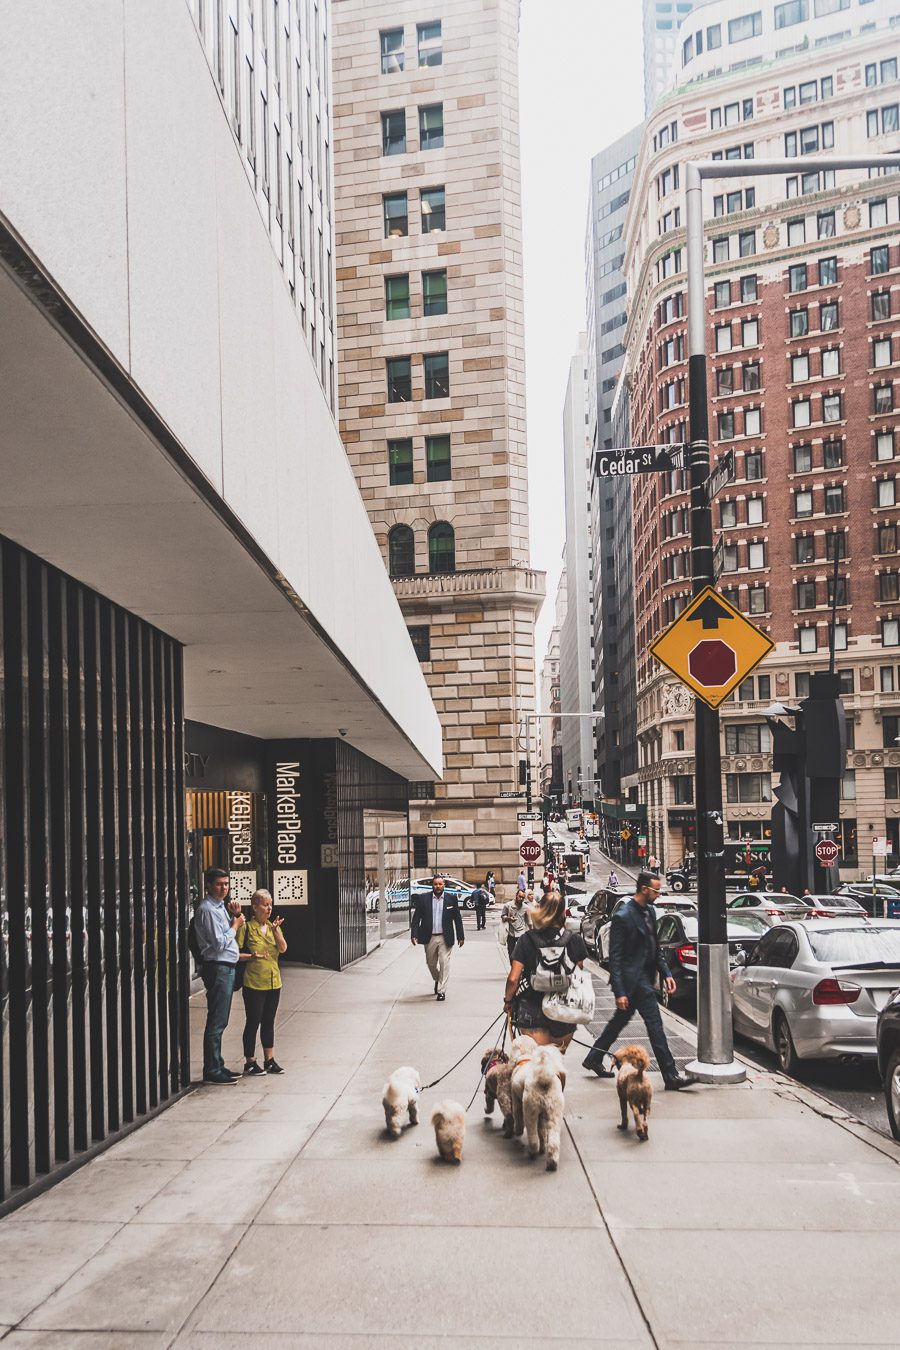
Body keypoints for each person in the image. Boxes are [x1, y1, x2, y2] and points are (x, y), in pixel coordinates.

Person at [582, 872, 691, 1090]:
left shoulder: (650, 911)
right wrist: (620, 991)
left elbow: (654, 947)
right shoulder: (623, 916)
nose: (658, 894)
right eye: (656, 890)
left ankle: (593, 1057)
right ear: (644, 889)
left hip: (643, 980)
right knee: (656, 1027)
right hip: (634, 982)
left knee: (617, 1024)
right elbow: (616, 957)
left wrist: (667, 973)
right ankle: (670, 1076)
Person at [503, 891, 588, 1051]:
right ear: (563, 912)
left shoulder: (526, 940)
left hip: (531, 1010)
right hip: (563, 1012)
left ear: (540, 910)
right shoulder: (574, 940)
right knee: (555, 1064)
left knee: (535, 1064)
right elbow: (578, 973)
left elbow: (514, 978)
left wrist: (508, 1001)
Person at [194, 867, 244, 1084]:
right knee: (216, 1021)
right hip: (218, 967)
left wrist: (235, 917)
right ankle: (212, 1070)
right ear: (209, 885)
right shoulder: (208, 909)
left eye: (226, 884)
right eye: (219, 884)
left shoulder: (220, 907)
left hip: (225, 966)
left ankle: (218, 1064)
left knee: (220, 1020)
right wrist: (235, 924)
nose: (224, 888)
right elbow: (220, 943)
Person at [239, 888, 287, 1076]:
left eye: (271, 904)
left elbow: (283, 948)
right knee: (253, 1022)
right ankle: (250, 1062)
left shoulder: (274, 926)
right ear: (255, 907)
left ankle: (269, 1060)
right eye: (265, 905)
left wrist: (276, 932)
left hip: (274, 982)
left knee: (269, 1021)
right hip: (254, 983)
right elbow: (234, 953)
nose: (269, 908)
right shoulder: (247, 927)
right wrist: (252, 956)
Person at [410, 874, 465, 1000]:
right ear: (432, 885)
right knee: (431, 963)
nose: (438, 886)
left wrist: (461, 936)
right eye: (436, 884)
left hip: (445, 937)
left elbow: (457, 919)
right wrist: (414, 934)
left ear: (444, 885)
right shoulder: (423, 898)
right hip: (429, 937)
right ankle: (437, 978)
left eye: (440, 884)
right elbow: (416, 918)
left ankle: (441, 991)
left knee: (444, 963)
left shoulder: (451, 899)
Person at [501, 888, 532, 963]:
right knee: (511, 953)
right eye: (519, 896)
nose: (521, 899)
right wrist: (509, 918)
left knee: (522, 952)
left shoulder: (526, 908)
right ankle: (513, 967)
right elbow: (503, 916)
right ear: (516, 895)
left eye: (522, 897)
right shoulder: (507, 905)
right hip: (511, 933)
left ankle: (521, 968)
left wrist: (532, 933)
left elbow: (529, 921)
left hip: (521, 933)